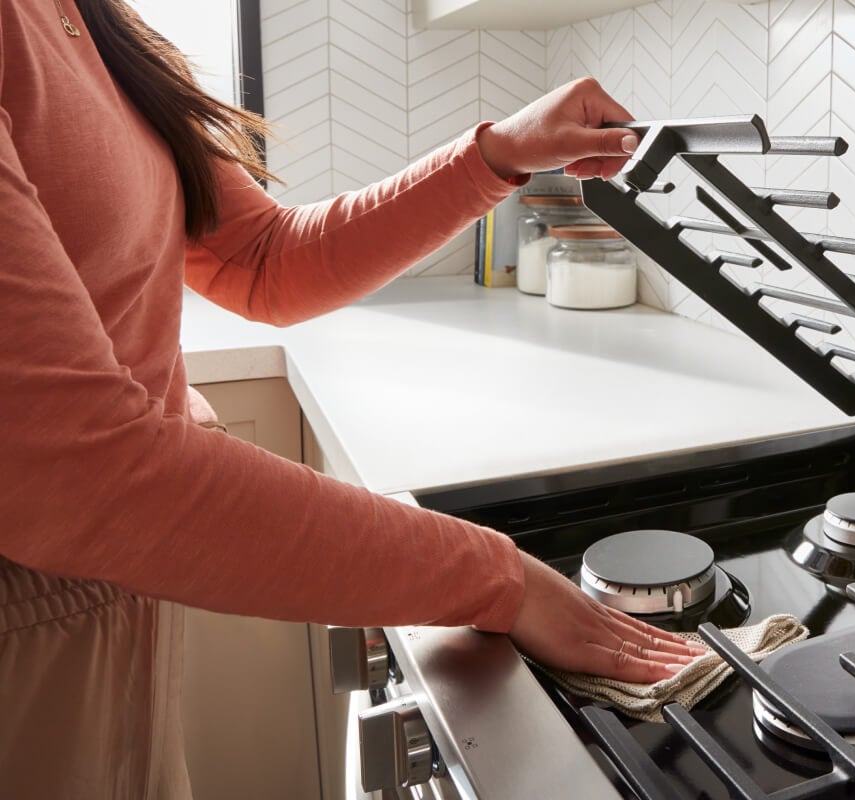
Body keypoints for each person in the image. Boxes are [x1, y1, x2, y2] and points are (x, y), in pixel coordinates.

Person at [0, 1, 701, 796]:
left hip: (118, 599)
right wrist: (504, 578)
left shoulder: (93, 20)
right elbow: (80, 473)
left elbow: (262, 259)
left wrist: (498, 153)